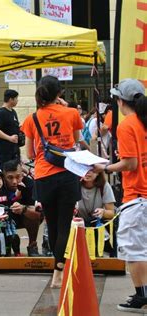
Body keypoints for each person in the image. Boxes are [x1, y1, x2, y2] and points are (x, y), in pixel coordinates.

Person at [21, 75, 83, 288]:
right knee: (65, 222)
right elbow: (75, 141)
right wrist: (63, 107)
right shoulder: (71, 113)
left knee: (52, 223)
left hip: (44, 175)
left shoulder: (32, 118)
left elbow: (29, 153)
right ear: (59, 93)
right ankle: (59, 270)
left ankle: (56, 269)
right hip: (67, 173)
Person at [93, 78, 147, 312]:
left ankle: (141, 296)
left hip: (137, 196)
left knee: (134, 250)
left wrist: (104, 167)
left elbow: (130, 163)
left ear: (119, 100)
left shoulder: (127, 126)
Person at [0, 89, 21, 169]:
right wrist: (9, 138)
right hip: (4, 150)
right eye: (16, 98)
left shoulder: (13, 112)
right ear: (11, 99)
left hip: (14, 149)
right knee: (6, 170)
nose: (17, 101)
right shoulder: (1, 112)